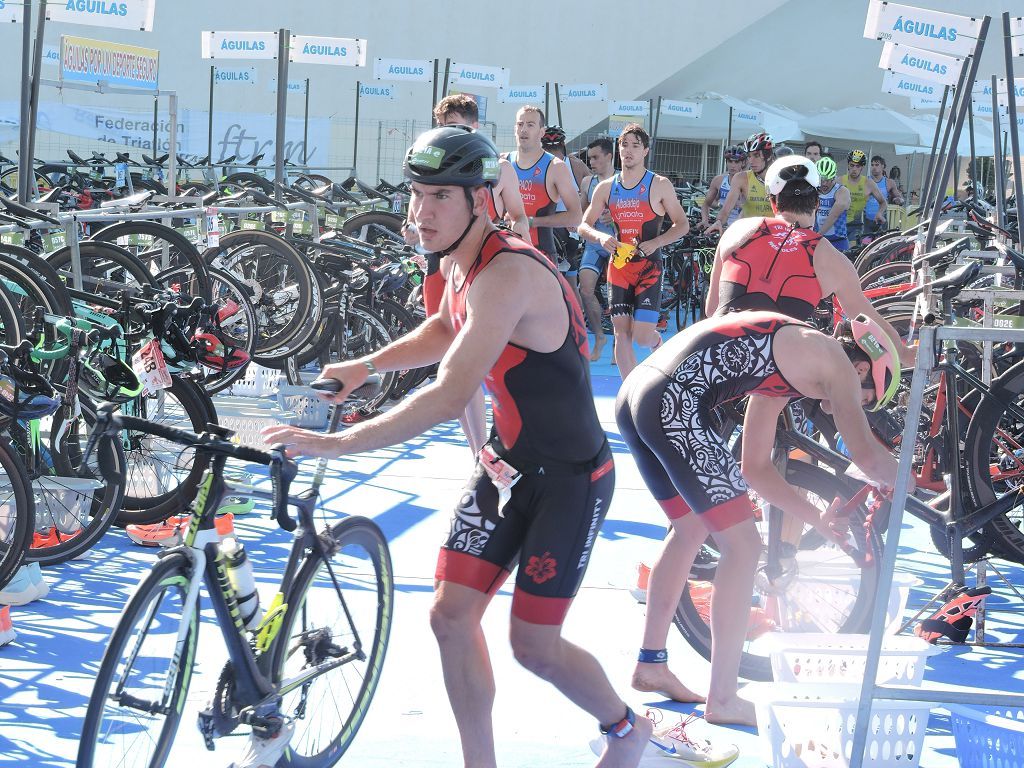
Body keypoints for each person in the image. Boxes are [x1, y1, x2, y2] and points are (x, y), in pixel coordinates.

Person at [263, 125, 652, 768]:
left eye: (441, 197)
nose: (422, 213)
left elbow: (449, 396)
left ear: (481, 200)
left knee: (535, 647)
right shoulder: (456, 261)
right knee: (450, 618)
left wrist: (335, 445)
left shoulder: (510, 272)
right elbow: (447, 325)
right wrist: (368, 365)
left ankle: (625, 727)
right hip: (507, 467)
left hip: (570, 481)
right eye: (416, 195)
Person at [617, 309, 902, 725]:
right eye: (866, 400)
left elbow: (757, 469)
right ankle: (724, 699)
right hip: (672, 402)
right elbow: (865, 454)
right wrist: (910, 479)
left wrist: (817, 520)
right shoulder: (835, 361)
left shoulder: (789, 362)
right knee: (744, 547)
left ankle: (651, 663)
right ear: (861, 368)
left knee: (690, 528)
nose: (853, 408)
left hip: (640, 394)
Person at [402, 93, 530, 453]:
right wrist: (412, 233)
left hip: (486, 267)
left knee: (493, 358)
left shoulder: (498, 167)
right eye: (445, 127)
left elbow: (519, 215)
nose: (451, 134)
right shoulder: (429, 163)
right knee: (454, 360)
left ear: (476, 126)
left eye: (459, 127)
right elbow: (413, 220)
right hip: (441, 267)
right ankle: (478, 452)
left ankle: (506, 442)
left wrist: (516, 244)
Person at [705, 155, 915, 367]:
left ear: (773, 203)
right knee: (836, 378)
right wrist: (902, 352)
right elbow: (866, 320)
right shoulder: (829, 256)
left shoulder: (738, 231)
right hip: (771, 371)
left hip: (714, 360)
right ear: (817, 202)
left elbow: (712, 308)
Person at [578, 123, 690, 378]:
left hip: (649, 266)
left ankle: (658, 345)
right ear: (618, 149)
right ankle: (629, 392)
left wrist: (658, 242)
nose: (628, 151)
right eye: (624, 145)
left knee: (641, 335)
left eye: (635, 146)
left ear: (645, 151)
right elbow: (583, 225)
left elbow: (682, 224)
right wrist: (599, 237)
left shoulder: (659, 184)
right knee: (621, 332)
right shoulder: (606, 187)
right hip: (619, 266)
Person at [505, 106, 582, 265]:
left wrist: (532, 222)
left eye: (530, 125)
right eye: (520, 124)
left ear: (541, 132)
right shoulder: (503, 162)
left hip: (541, 254)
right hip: (504, 251)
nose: (524, 130)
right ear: (515, 129)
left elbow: (576, 216)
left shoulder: (556, 167)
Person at [579, 137, 616, 361]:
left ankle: (618, 344)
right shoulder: (587, 183)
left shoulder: (623, 181)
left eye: (596, 157)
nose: (592, 162)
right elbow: (583, 216)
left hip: (617, 244)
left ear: (609, 156)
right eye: (590, 158)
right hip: (595, 243)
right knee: (585, 289)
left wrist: (616, 218)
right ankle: (600, 337)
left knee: (618, 297)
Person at [542, 125, 588, 289]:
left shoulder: (539, 163)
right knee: (571, 284)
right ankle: (576, 313)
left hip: (549, 229)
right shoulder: (576, 164)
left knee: (550, 283)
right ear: (563, 144)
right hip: (571, 231)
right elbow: (595, 191)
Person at [707, 132, 774, 234]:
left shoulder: (781, 178)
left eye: (756, 155)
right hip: (748, 233)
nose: (751, 161)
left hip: (774, 234)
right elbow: (725, 210)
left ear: (768, 156)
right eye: (749, 156)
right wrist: (719, 222)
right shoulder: (741, 178)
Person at [840, 149, 887, 245]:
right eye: (852, 165)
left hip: (856, 225)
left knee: (851, 252)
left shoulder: (869, 183)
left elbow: (883, 202)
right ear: (848, 165)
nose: (854, 169)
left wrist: (879, 213)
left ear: (862, 167)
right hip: (838, 223)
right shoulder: (839, 181)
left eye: (857, 166)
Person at [699, 144, 747, 231]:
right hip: (721, 223)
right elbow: (706, 204)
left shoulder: (748, 181)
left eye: (736, 162)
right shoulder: (718, 180)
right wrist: (705, 220)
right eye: (730, 161)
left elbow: (755, 207)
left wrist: (740, 205)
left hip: (741, 226)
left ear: (742, 163)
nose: (733, 165)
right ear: (726, 162)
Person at [814, 155, 852, 252]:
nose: (824, 183)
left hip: (838, 241)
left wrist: (817, 236)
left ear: (834, 177)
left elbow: (833, 216)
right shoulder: (813, 190)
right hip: (819, 239)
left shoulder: (842, 191)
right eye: (821, 179)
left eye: (828, 180)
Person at [864, 155, 898, 232]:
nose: (874, 167)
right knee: (865, 243)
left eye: (877, 165)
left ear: (883, 166)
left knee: (881, 243)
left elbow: (899, 197)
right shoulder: (866, 181)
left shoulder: (889, 182)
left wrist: (898, 199)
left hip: (881, 220)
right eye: (872, 165)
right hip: (867, 220)